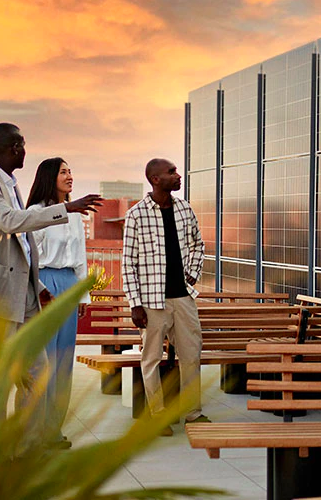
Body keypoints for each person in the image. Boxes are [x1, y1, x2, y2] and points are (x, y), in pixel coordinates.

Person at [0, 123, 102, 449]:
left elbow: (24, 245)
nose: (25, 150)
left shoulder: (9, 184)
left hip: (26, 292)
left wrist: (36, 285)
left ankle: (28, 445)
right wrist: (66, 208)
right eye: (22, 144)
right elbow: (12, 222)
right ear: (13, 147)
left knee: (39, 371)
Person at [121, 158, 208, 435]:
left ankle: (193, 414)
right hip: (151, 301)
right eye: (172, 172)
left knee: (191, 355)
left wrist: (192, 272)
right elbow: (127, 263)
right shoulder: (136, 215)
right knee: (151, 359)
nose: (178, 175)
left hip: (183, 298)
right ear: (156, 179)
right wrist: (135, 304)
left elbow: (197, 243)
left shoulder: (184, 209)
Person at [26, 157, 91, 450]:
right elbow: (28, 259)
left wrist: (83, 293)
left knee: (64, 361)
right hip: (44, 286)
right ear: (49, 176)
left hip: (68, 285)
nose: (70, 176)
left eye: (71, 171)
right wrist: (40, 289)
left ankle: (54, 430)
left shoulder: (75, 214)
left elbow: (81, 258)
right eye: (64, 171)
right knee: (45, 362)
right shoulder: (36, 213)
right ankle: (34, 432)